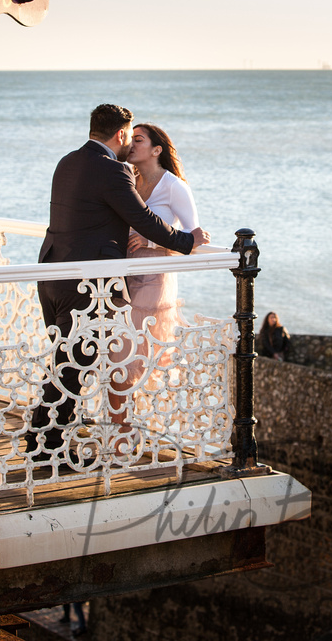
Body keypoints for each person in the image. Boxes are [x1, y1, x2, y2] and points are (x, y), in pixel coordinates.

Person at [27, 103, 210, 459]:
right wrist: (188, 241)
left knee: (67, 363)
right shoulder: (114, 171)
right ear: (120, 134)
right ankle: (44, 447)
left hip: (52, 274)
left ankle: (50, 441)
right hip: (85, 285)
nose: (132, 143)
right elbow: (142, 218)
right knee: (70, 367)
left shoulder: (67, 161)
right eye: (131, 136)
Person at [124, 123, 199, 350]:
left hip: (154, 277)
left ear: (157, 150)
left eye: (138, 140)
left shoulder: (174, 186)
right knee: (122, 341)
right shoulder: (128, 182)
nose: (131, 144)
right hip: (122, 272)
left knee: (139, 347)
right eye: (130, 139)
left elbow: (194, 238)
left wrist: (151, 242)